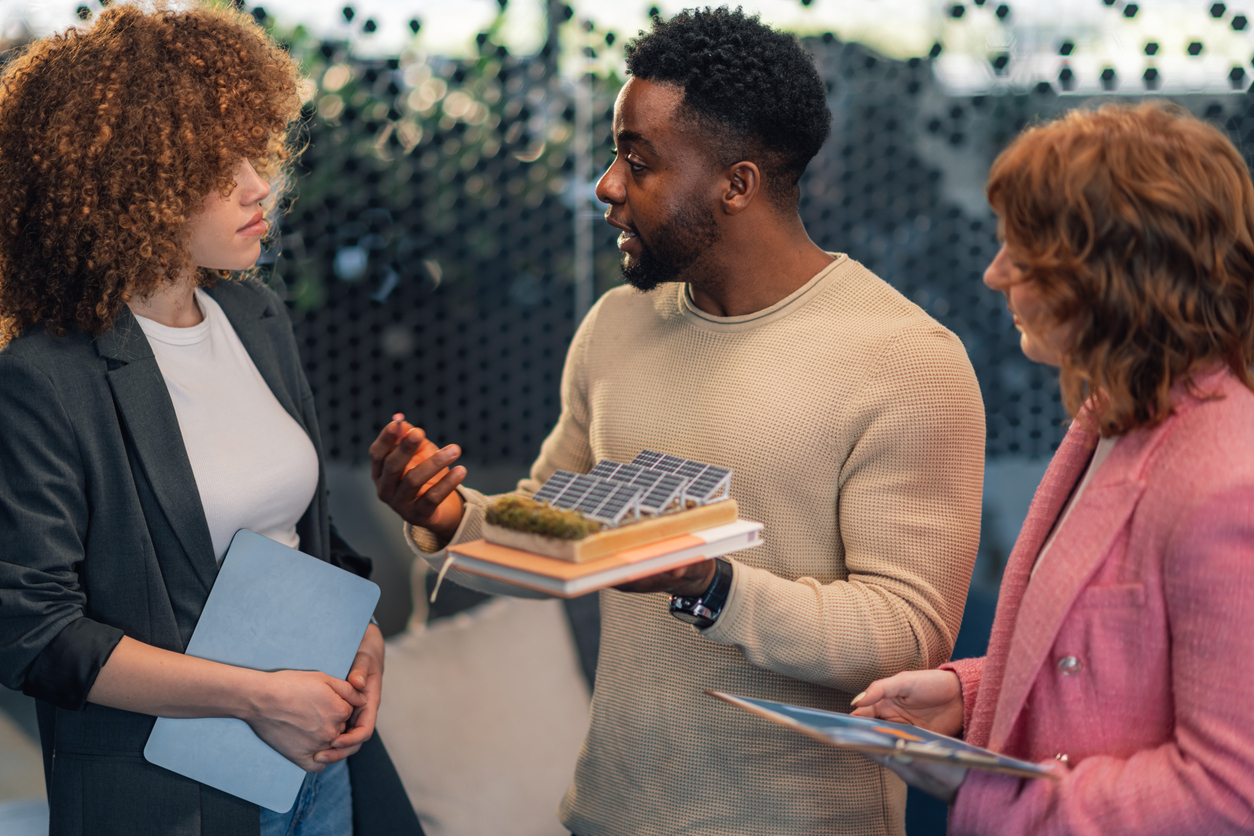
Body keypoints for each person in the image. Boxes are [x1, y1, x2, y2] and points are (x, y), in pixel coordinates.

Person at [370, 8, 984, 835]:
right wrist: (446, 516)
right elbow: (555, 537)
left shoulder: (905, 360)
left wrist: (709, 584)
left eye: (638, 161)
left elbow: (906, 633)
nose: (606, 186)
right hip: (607, 816)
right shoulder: (617, 327)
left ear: (736, 184)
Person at [0, 5, 421, 835]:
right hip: (172, 795)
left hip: (317, 764)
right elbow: (35, 633)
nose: (259, 184)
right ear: (129, 187)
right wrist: (258, 696)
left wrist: (362, 636)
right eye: (213, 167)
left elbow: (307, 538)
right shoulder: (45, 377)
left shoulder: (255, 315)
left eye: (252, 151)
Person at [850, 101, 1254, 835]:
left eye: (1022, 254)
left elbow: (1230, 793)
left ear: (1114, 272)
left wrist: (992, 796)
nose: (993, 272)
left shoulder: (1228, 483)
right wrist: (972, 697)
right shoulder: (1113, 413)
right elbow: (1112, 670)